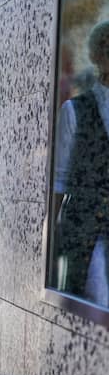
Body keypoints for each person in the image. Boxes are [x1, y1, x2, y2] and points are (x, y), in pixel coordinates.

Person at [52, 20, 109, 304]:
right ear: (97, 56)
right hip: (86, 229)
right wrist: (49, 239)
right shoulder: (74, 109)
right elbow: (59, 178)